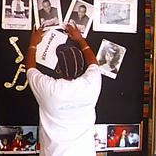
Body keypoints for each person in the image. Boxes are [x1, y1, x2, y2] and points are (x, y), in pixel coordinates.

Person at [26, 24, 102, 156]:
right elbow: (93, 63)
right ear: (82, 67)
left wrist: (33, 44)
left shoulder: (50, 89)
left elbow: (30, 69)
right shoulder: (91, 84)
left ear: (58, 69)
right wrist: (80, 39)